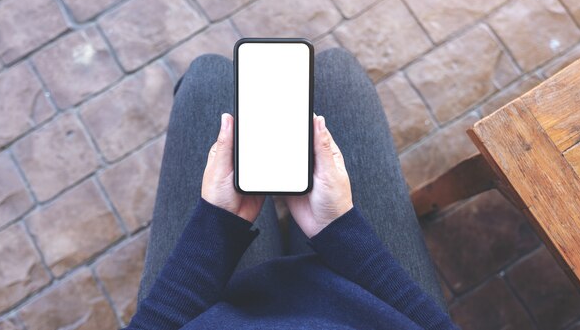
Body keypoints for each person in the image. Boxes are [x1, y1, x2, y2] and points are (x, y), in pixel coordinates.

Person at [125, 47, 458, 329]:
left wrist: (216, 229)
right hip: (370, 310)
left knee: (207, 77)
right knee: (336, 74)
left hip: (207, 314)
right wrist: (340, 231)